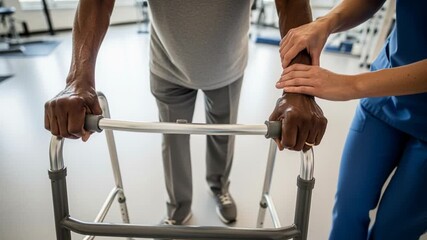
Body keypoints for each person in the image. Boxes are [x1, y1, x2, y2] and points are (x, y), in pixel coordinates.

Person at [44, 0, 327, 226]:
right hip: (167, 64)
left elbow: (290, 2)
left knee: (223, 135)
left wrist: (298, 90)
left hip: (228, 66)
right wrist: (77, 79)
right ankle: (179, 207)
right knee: (173, 138)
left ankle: (219, 187)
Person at [275, 0, 427, 239]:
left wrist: (352, 85)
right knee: (347, 209)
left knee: (394, 230)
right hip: (385, 91)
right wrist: (327, 23)